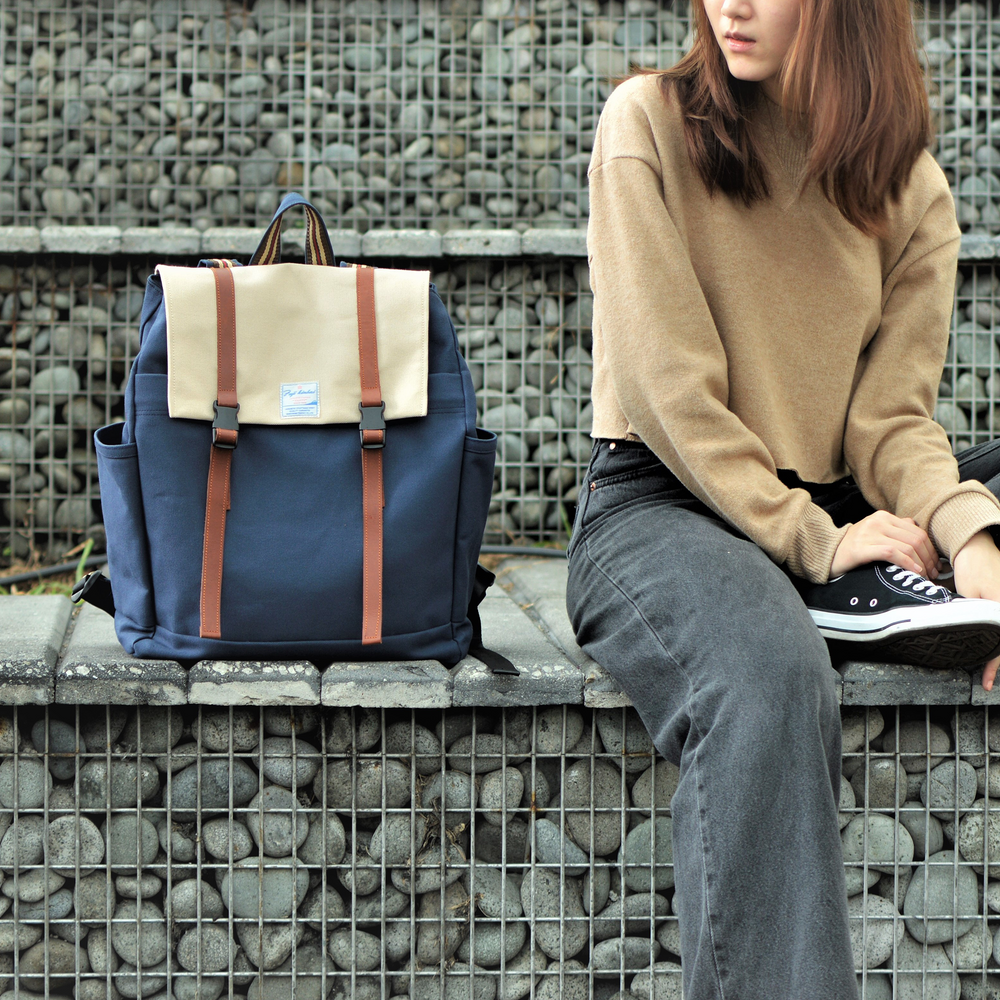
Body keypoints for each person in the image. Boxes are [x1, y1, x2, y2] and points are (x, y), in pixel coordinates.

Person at [565, 0, 1000, 997]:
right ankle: (845, 596)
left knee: (974, 498)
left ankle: (931, 592)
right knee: (766, 668)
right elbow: (666, 390)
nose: (733, 3)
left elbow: (890, 424)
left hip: (839, 509)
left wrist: (964, 535)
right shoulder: (647, 124)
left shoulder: (909, 190)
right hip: (661, 506)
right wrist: (807, 537)